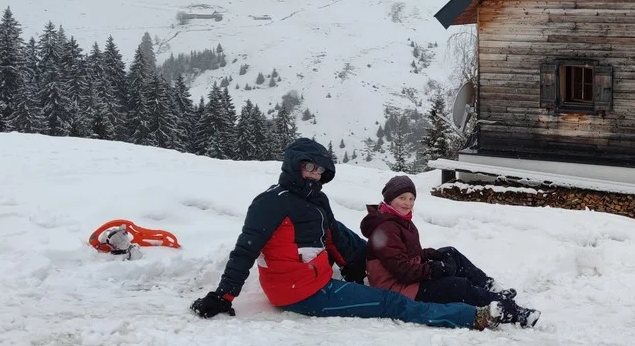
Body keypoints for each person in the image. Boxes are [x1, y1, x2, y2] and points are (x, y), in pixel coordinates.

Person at [190, 138, 500, 330]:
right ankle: (470, 317)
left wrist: (364, 264)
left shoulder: (315, 200)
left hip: (317, 277)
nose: (315, 174)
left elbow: (334, 236)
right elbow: (244, 250)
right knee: (392, 302)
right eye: (309, 166)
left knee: (371, 259)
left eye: (320, 170)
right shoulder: (271, 203)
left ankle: (469, 296)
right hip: (300, 291)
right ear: (293, 165)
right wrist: (223, 296)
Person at [360, 174, 540, 328]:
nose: (408, 203)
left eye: (411, 198)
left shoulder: (398, 220)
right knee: (457, 286)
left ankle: (492, 289)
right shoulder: (386, 228)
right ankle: (513, 312)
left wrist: (432, 255)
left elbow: (408, 254)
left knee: (450, 252)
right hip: (397, 288)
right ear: (390, 199)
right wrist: (434, 269)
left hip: (406, 278)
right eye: (402, 198)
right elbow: (402, 270)